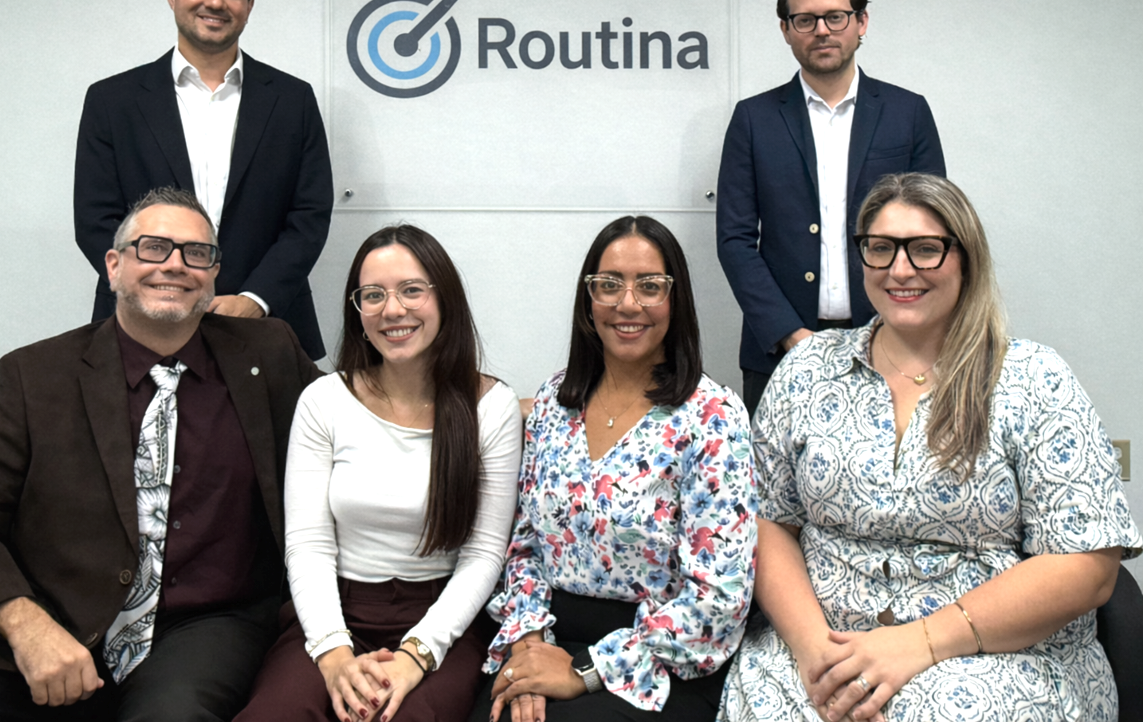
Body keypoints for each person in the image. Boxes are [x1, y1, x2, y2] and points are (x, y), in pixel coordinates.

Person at [720, 173, 1142, 722]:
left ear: (966, 258)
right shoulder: (806, 370)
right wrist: (816, 653)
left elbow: (1088, 564)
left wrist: (915, 644)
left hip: (994, 659)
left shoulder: (1034, 379)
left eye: (925, 249)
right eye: (881, 248)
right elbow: (770, 521)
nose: (900, 270)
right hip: (820, 647)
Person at [0, 188, 322, 721]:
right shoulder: (37, 377)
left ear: (214, 274)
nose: (175, 265)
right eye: (153, 248)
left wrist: (467, 395)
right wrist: (24, 624)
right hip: (52, 616)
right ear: (113, 265)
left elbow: (366, 417)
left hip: (205, 626)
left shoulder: (268, 354)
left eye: (196, 253)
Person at [235, 225, 522, 722]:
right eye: (374, 295)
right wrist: (333, 653)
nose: (393, 310)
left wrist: (418, 654)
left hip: (443, 621)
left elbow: (483, 555)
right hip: (334, 613)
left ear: (444, 298)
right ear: (358, 310)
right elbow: (307, 544)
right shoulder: (324, 400)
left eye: (412, 290)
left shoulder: (491, 408)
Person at [477, 216, 757, 722]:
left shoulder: (712, 417)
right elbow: (523, 548)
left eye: (650, 286)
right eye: (609, 285)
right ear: (589, 299)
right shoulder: (552, 403)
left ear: (677, 300)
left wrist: (583, 671)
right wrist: (527, 647)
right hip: (549, 633)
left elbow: (721, 601)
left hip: (662, 659)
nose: (628, 304)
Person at [74, 0, 334, 359]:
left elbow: (309, 216)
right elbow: (95, 219)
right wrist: (166, 292)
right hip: (141, 325)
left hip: (265, 328)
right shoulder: (112, 100)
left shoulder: (292, 100)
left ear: (249, 6)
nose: (216, 2)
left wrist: (256, 298)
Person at [715, 0, 946, 416]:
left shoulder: (908, 112)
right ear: (786, 29)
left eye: (835, 17)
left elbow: (934, 233)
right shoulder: (753, 120)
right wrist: (792, 337)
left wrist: (900, 328)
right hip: (781, 353)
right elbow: (735, 240)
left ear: (861, 23)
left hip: (895, 345)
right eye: (805, 20)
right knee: (779, 486)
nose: (821, 30)